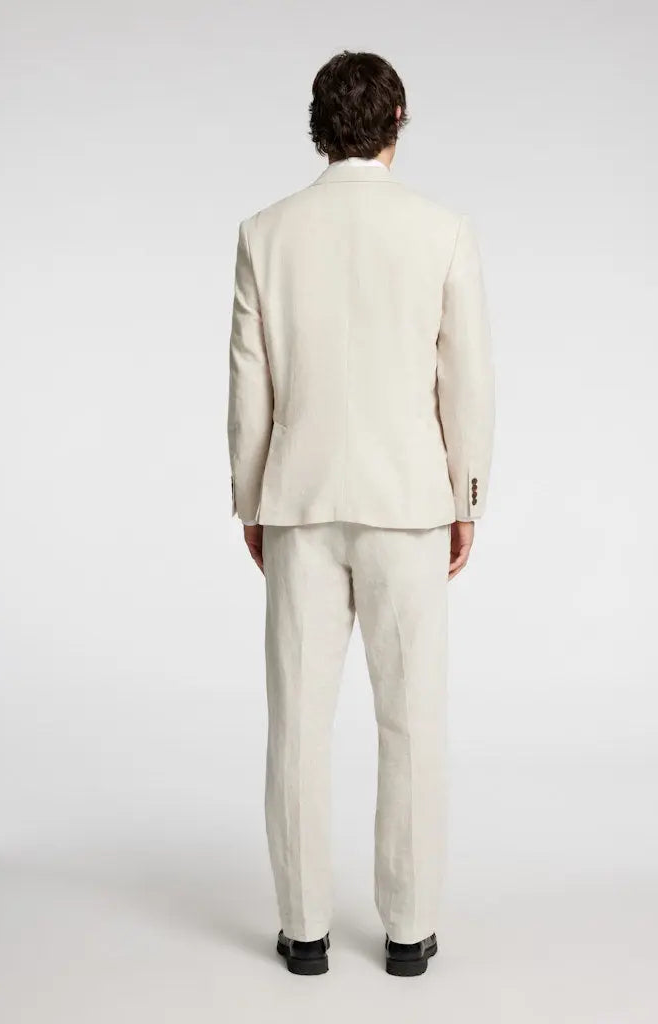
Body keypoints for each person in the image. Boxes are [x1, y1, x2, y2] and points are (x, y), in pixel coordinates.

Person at [228, 50, 495, 977]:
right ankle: (410, 933)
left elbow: (249, 388)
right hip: (409, 504)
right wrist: (466, 498)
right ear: (398, 119)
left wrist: (252, 502)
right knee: (412, 721)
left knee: (298, 724)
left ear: (318, 125)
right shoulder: (442, 230)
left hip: (299, 503)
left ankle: (304, 933)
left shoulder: (265, 233)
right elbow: (467, 381)